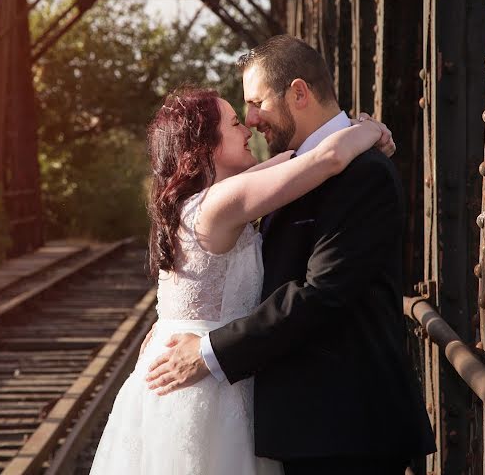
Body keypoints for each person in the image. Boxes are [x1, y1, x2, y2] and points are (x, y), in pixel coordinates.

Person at [144, 35, 436, 475]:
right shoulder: (284, 172)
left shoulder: (364, 172)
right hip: (298, 425)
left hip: (346, 428)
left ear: (298, 93)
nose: (251, 118)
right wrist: (369, 129)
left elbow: (324, 293)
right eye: (240, 114)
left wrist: (208, 350)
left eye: (256, 101)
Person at [90, 75, 396, 474]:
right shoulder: (219, 203)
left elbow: (296, 159)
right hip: (208, 386)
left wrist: (357, 135)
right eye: (234, 123)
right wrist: (371, 129)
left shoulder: (205, 199)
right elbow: (326, 160)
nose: (248, 127)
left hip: (204, 367)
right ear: (204, 148)